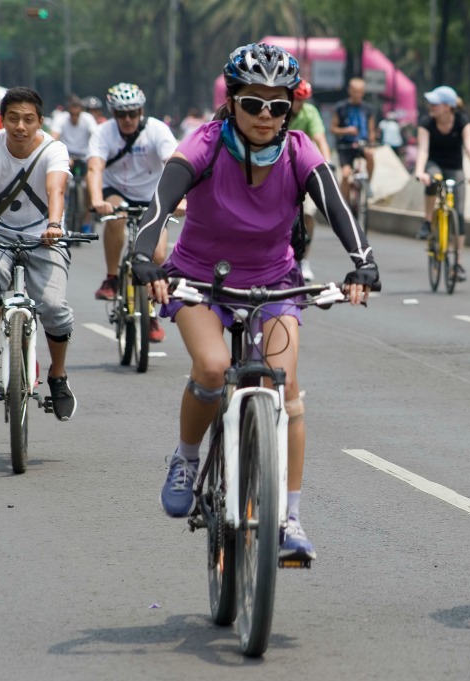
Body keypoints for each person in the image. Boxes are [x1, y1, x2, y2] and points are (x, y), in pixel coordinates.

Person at [130, 43, 379, 561]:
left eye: (278, 105)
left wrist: (364, 261)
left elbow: (335, 203)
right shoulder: (203, 144)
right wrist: (141, 257)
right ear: (232, 102)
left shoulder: (299, 150)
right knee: (215, 366)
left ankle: (288, 517)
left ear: (291, 107)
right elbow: (161, 203)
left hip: (274, 282)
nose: (265, 116)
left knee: (283, 391)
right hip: (201, 280)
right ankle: (187, 457)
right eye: (252, 103)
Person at [0, 86, 78, 421]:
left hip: (44, 235)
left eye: (28, 119)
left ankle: (58, 376)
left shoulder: (54, 150)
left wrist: (54, 225)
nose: (20, 126)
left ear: (40, 122)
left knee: (55, 308)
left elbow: (56, 188)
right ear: (3, 121)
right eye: (13, 118)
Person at [86, 82, 179, 342]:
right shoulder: (104, 132)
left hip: (153, 195)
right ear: (113, 114)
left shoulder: (157, 130)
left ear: (141, 111)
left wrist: (181, 199)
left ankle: (148, 312)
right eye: (121, 114)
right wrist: (96, 199)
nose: (127, 119)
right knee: (116, 216)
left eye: (133, 113)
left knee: (158, 254)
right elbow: (95, 168)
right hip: (116, 190)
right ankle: (112, 278)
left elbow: (174, 165)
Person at [412, 85, 470, 282]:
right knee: (433, 180)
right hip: (434, 164)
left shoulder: (462, 121)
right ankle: (427, 221)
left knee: (459, 213)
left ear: (448, 106)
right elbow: (423, 150)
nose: (431, 106)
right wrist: (420, 171)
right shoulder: (427, 122)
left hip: (455, 167)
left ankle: (458, 263)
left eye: (435, 103)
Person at [287, 78, 334, 282]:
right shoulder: (278, 111)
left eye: (303, 100)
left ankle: (304, 258)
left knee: (309, 212)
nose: (299, 105)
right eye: (296, 99)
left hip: (302, 170)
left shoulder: (310, 113)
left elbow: (320, 139)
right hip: (276, 170)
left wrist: (328, 162)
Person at [51, 94, 98, 232]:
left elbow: (95, 136)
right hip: (67, 156)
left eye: (77, 114)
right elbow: (54, 136)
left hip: (84, 156)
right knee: (60, 185)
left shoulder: (88, 119)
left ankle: (87, 219)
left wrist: (93, 156)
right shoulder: (61, 119)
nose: (74, 118)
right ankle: (63, 215)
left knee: (88, 187)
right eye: (72, 114)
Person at [331, 77, 377, 202]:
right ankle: (344, 204)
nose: (358, 94)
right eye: (355, 91)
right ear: (350, 91)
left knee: (370, 155)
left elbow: (371, 130)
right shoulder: (341, 107)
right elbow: (333, 129)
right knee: (346, 175)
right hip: (345, 146)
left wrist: (371, 144)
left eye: (360, 91)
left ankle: (367, 183)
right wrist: (346, 130)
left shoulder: (368, 109)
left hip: (362, 144)